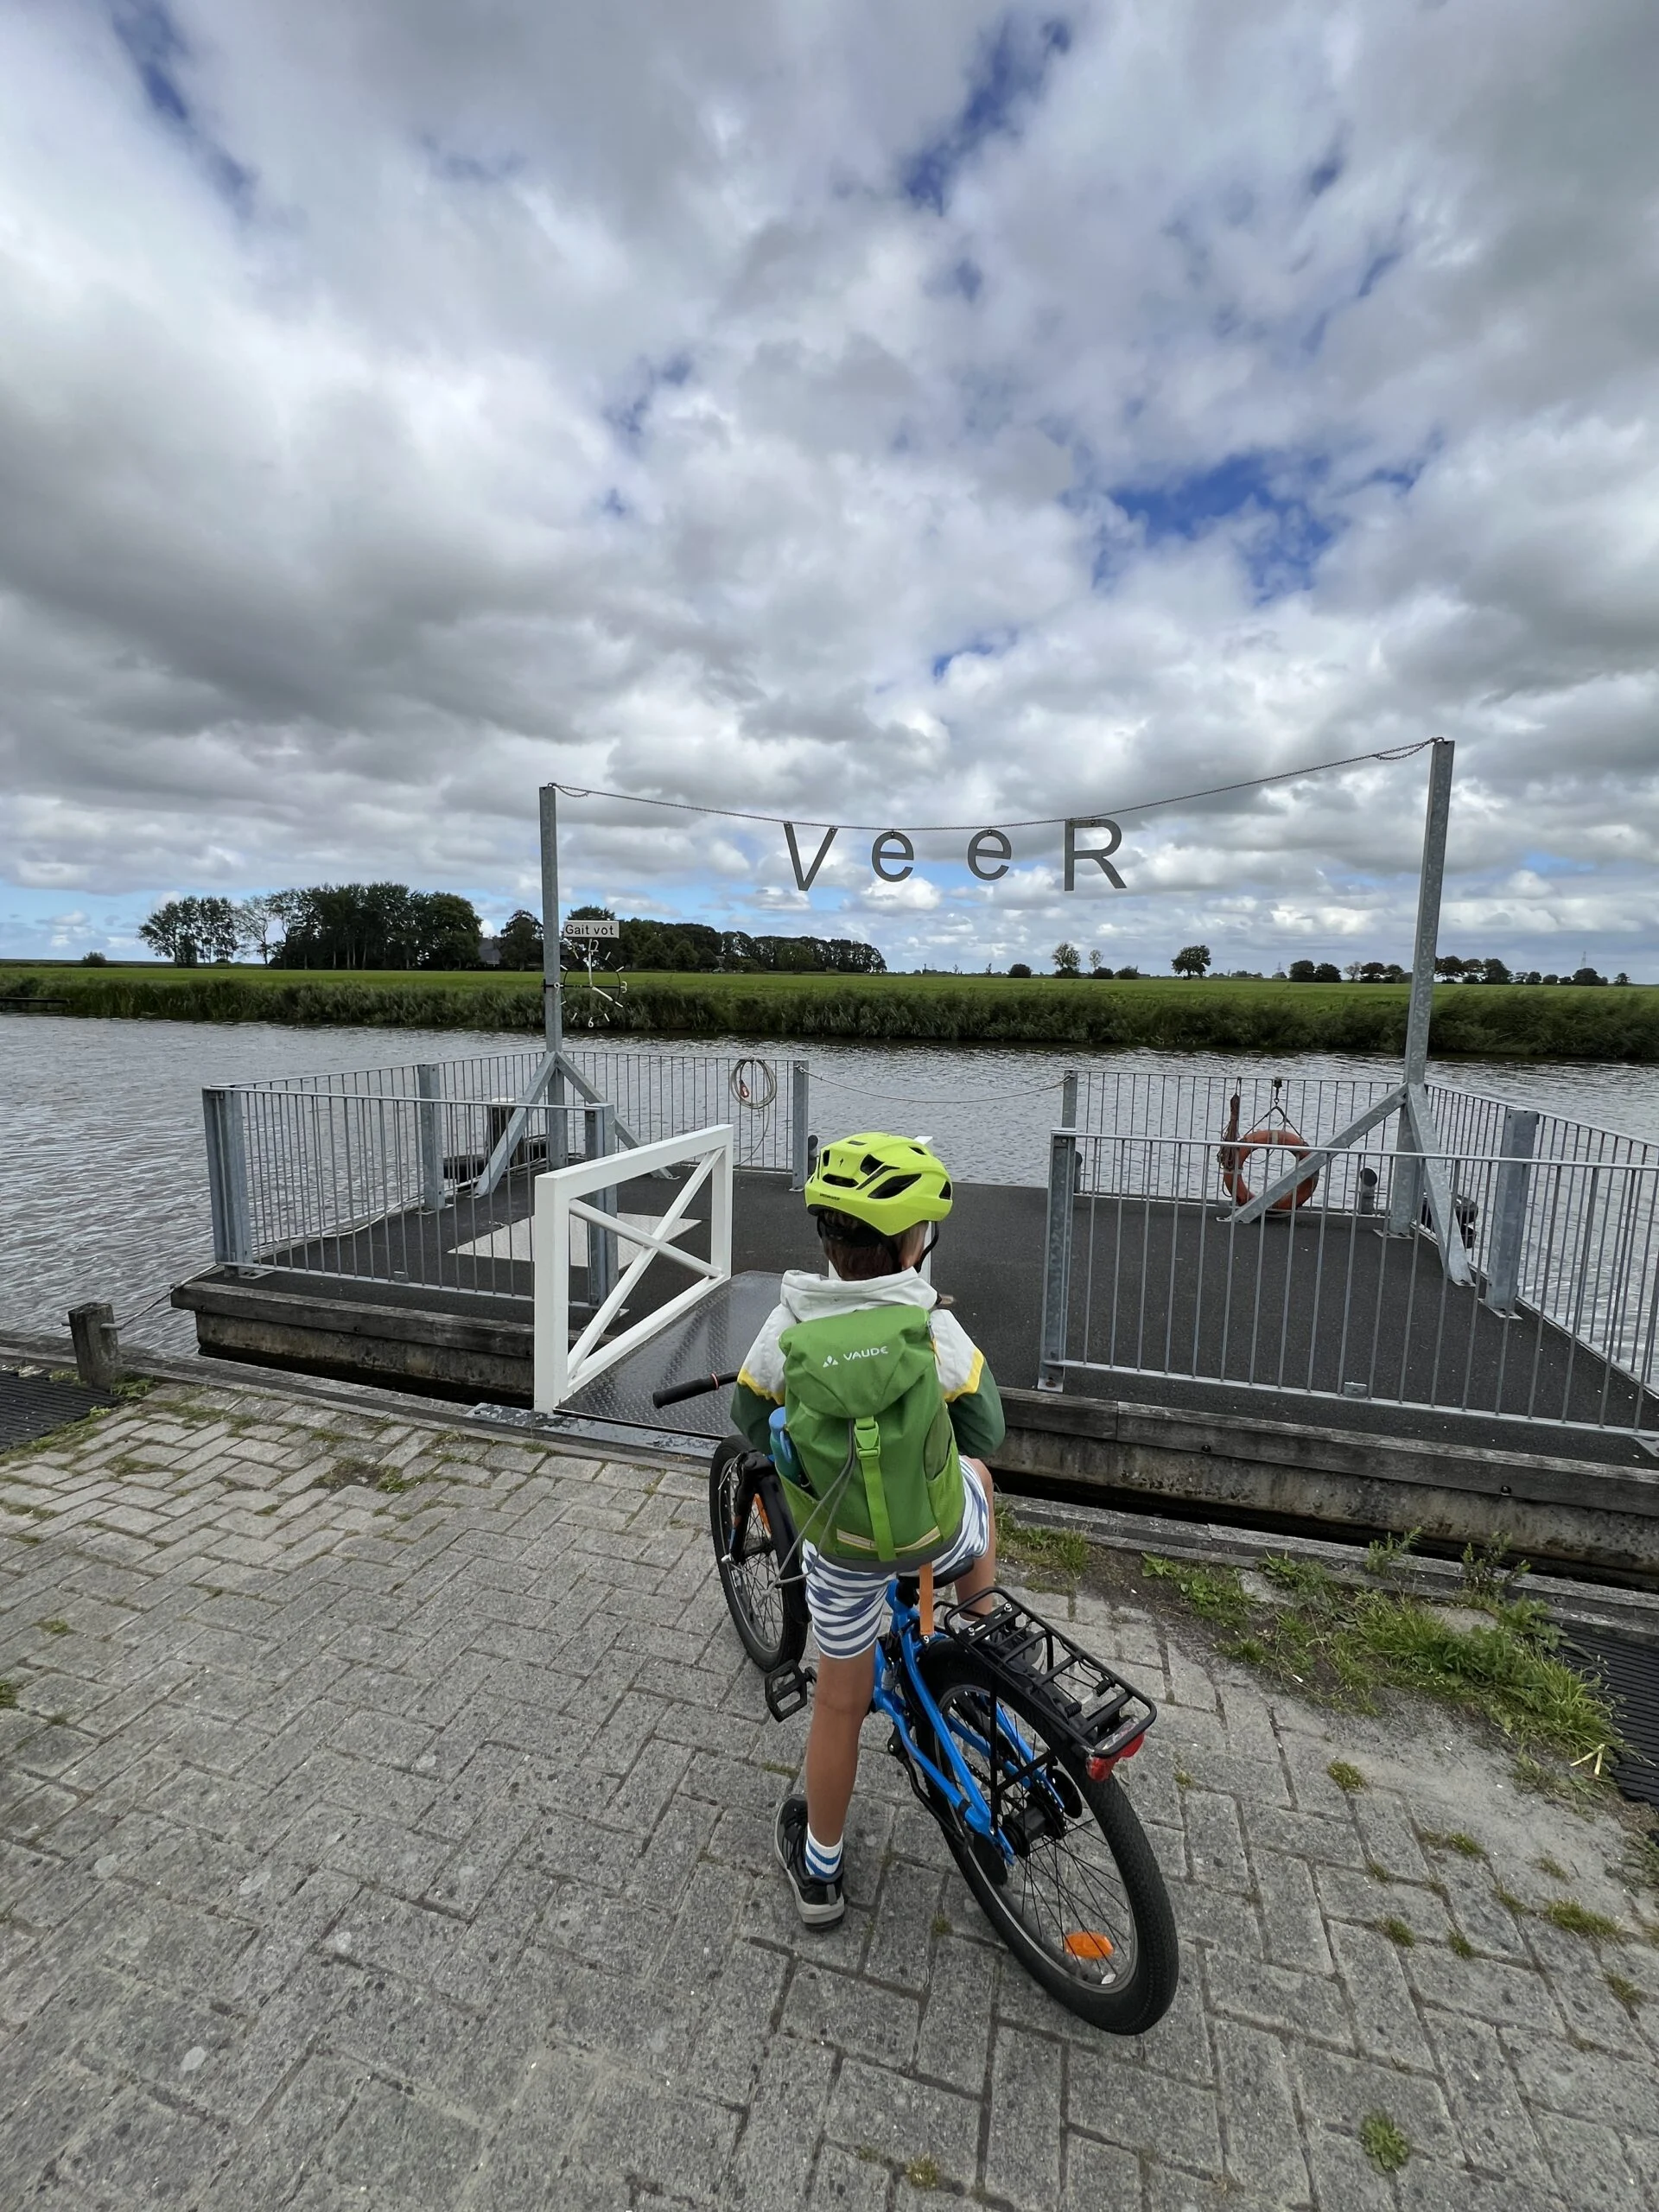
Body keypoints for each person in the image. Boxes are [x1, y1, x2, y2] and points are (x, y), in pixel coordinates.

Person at [729, 1132, 1005, 1926]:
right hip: (939, 1538)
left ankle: (820, 1874)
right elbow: (987, 1431)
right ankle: (983, 1643)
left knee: (840, 1705)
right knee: (977, 1482)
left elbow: (750, 1414)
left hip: (845, 1554)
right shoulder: (931, 1326)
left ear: (827, 1242)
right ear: (917, 1243)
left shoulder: (791, 1320)